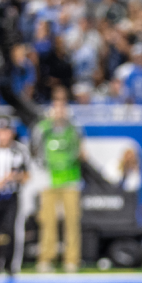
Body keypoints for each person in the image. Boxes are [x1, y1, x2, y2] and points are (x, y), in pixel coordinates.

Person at [34, 92, 85, 273]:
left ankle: (71, 259)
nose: (59, 111)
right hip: (49, 179)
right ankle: (46, 258)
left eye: (63, 107)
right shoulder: (43, 128)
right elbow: (36, 150)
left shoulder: (74, 128)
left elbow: (79, 150)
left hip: (70, 178)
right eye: (56, 107)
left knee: (72, 222)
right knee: (48, 222)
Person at [0, 119, 30, 276]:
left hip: (12, 195)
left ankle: (9, 265)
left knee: (10, 230)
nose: (3, 135)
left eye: (6, 132)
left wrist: (14, 177)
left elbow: (27, 176)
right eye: (0, 132)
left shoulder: (19, 151)